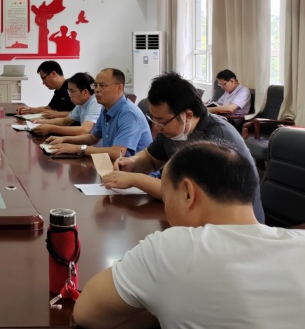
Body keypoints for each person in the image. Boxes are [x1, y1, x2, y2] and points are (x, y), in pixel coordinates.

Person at [73, 142, 305, 329]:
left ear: (188, 193)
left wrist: (169, 304)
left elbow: (87, 314)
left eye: (166, 196)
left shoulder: (172, 250)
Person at [101, 72, 265, 223]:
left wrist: (133, 179)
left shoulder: (215, 139)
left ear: (187, 115)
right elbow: (151, 158)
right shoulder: (174, 130)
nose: (157, 127)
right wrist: (132, 162)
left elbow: (181, 193)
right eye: (155, 120)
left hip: (233, 228)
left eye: (161, 121)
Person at [45, 68, 151, 160]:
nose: (96, 90)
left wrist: (79, 148)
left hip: (136, 172)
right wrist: (64, 139)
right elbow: (92, 138)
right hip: (113, 167)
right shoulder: (105, 109)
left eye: (102, 86)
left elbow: (117, 153)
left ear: (119, 87)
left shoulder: (128, 113)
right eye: (95, 85)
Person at [31, 73, 102, 137]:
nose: (69, 95)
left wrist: (51, 128)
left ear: (85, 92)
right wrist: (42, 121)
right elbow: (65, 121)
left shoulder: (96, 103)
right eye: (69, 91)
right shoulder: (81, 104)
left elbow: (84, 130)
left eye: (71, 91)